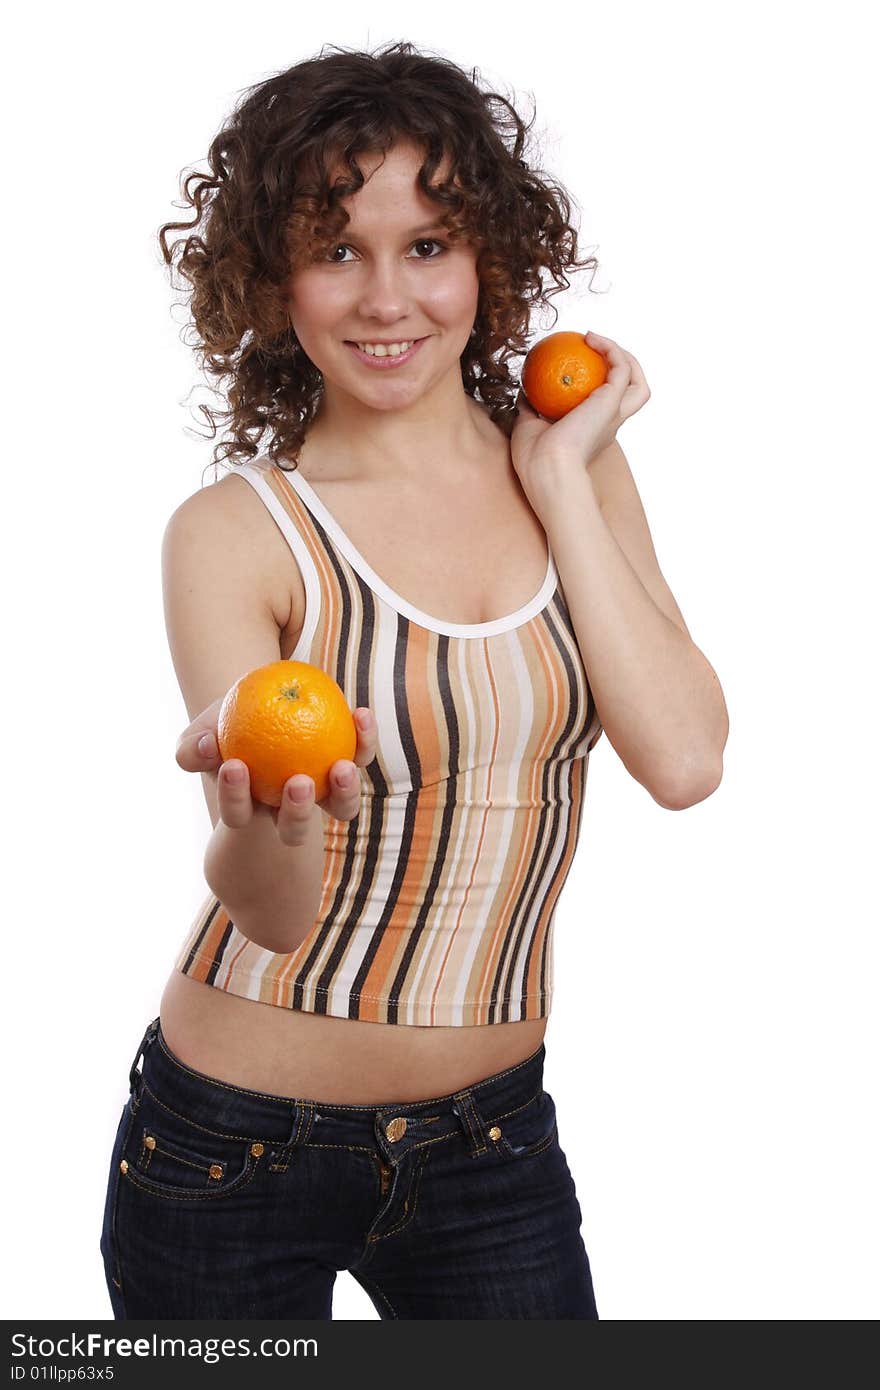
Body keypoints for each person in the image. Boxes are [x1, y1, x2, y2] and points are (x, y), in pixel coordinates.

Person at [99, 40, 728, 1321]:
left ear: (488, 259)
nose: (387, 297)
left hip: (492, 1145)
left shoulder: (578, 473)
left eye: (428, 245)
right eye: (336, 251)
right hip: (225, 1148)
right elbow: (271, 916)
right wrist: (259, 816)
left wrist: (557, 478)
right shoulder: (235, 533)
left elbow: (683, 759)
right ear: (273, 283)